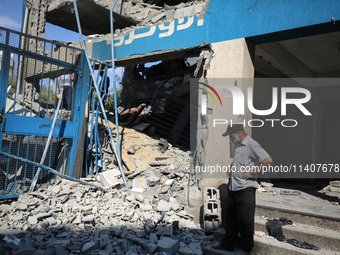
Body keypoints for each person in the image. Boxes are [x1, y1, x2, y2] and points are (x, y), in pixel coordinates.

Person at [213, 123, 273, 253]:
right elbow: (240, 162)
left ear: (239, 133)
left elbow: (268, 160)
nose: (230, 138)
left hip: (246, 188)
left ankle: (246, 248)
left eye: (231, 136)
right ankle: (227, 244)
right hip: (234, 186)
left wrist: (252, 173)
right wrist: (231, 168)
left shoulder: (252, 144)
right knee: (231, 219)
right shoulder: (239, 146)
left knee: (245, 220)